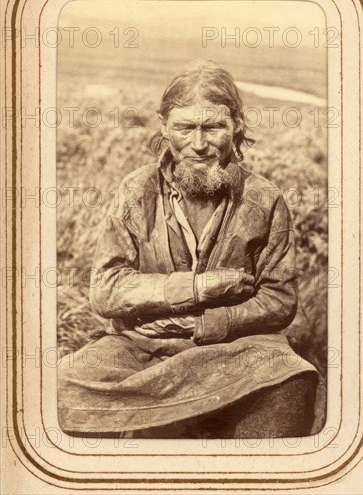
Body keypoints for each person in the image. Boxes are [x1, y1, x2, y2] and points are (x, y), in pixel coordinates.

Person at [58, 60, 318, 438]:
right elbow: (106, 289)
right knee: (59, 388)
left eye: (213, 127)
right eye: (184, 127)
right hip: (140, 346)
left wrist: (205, 323)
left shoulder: (265, 199)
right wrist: (198, 288)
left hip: (236, 350)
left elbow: (279, 300)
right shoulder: (136, 191)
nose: (198, 144)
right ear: (164, 127)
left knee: (291, 380)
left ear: (236, 126)